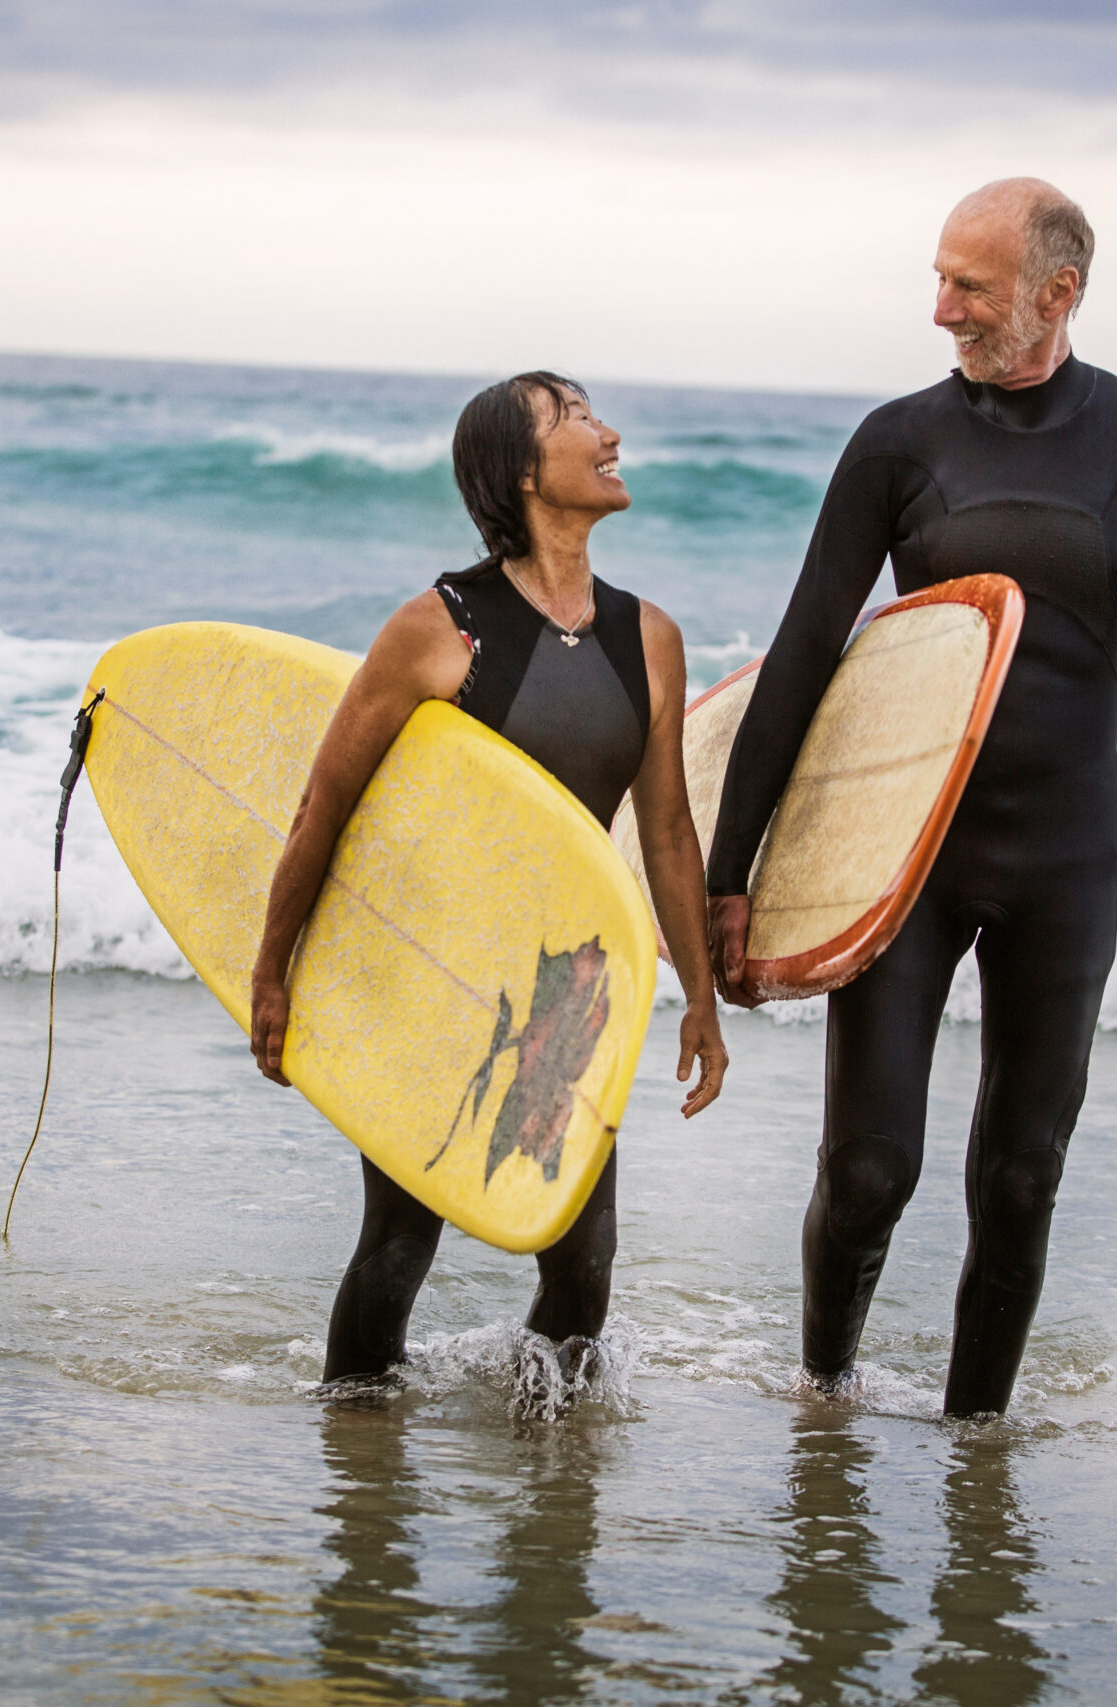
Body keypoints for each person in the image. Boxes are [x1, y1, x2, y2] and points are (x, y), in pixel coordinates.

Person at [708, 179, 1117, 1417]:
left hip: (1067, 861)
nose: (939, 310)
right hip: (899, 856)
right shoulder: (898, 441)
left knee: (1020, 1179)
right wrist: (727, 878)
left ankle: (977, 1442)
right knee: (868, 1168)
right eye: (939, 277)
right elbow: (807, 649)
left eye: (968, 286)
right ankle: (824, 1393)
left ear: (1054, 293)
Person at [252, 371, 728, 1390]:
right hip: (441, 976)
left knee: (582, 1266)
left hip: (572, 988)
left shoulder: (649, 638)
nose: (608, 434)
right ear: (522, 472)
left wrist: (701, 995)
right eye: (576, 420)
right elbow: (322, 810)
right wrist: (271, 974)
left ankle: (544, 1497)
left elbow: (670, 832)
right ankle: (362, 1464)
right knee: (397, 1246)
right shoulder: (438, 627)